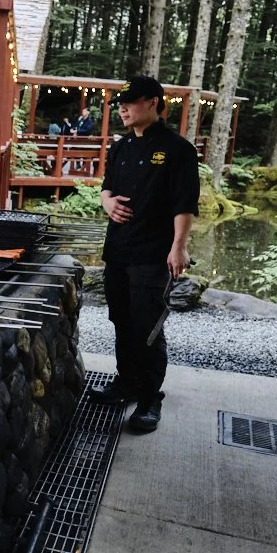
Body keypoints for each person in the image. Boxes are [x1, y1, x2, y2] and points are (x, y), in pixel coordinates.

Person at [89, 76, 200, 433]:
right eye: (120, 102)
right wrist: (107, 203)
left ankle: (150, 397)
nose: (122, 108)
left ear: (153, 102)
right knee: (121, 319)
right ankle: (126, 383)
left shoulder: (178, 150)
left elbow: (184, 204)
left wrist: (178, 247)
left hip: (153, 253)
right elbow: (106, 189)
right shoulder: (120, 147)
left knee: (147, 326)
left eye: (130, 102)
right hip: (118, 248)